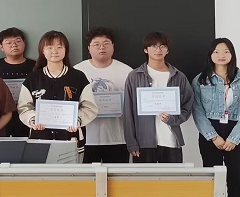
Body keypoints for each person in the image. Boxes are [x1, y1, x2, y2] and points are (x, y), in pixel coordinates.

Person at [192, 38, 240, 197]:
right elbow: (197, 111)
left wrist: (234, 139)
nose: (221, 55)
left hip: (237, 131)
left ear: (232, 54)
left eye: (226, 51)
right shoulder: (200, 80)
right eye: (216, 52)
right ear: (210, 55)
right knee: (212, 178)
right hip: (210, 132)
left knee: (235, 178)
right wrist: (213, 136)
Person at [17, 30, 98, 150]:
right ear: (42, 51)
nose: (54, 51)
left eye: (59, 47)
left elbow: (89, 107)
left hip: (70, 138)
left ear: (66, 50)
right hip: (40, 139)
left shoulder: (78, 77)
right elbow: (24, 107)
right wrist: (33, 120)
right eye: (49, 47)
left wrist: (76, 120)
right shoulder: (33, 78)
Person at [123, 32, 193, 163]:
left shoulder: (178, 76)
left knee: (172, 177)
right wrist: (131, 143)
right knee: (145, 177)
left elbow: (187, 106)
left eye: (162, 46)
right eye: (154, 46)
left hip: (171, 140)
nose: (158, 50)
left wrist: (173, 119)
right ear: (145, 49)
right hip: (143, 142)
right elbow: (128, 112)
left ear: (167, 50)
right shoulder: (134, 76)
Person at [74, 27, 133, 163]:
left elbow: (134, 103)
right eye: (96, 44)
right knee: (86, 176)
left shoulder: (127, 71)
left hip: (118, 137)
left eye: (106, 43)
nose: (102, 47)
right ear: (89, 48)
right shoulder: (77, 71)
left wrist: (127, 111)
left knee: (117, 176)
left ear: (113, 47)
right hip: (86, 139)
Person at [0, 27, 36, 137]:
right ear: (1, 47)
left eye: (18, 41)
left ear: (24, 43)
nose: (14, 45)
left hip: (29, 118)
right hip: (1, 119)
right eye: (8, 43)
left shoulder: (36, 67)